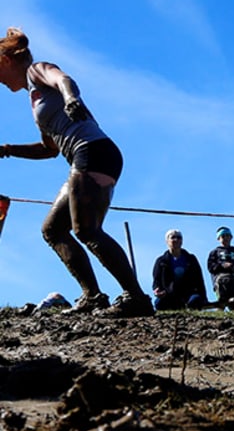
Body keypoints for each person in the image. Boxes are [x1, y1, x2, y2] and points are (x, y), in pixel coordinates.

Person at [0, 28, 153, 317]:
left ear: (6, 60)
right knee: (53, 230)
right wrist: (7, 149)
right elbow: (49, 149)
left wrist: (71, 98)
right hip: (82, 158)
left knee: (86, 229)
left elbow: (64, 79)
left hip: (94, 151)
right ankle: (93, 295)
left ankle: (136, 298)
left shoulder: (36, 71)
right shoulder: (34, 102)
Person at [152, 229, 208, 311]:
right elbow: (156, 280)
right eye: (173, 237)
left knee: (196, 300)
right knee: (159, 303)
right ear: (167, 241)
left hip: (189, 293)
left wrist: (203, 296)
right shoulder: (161, 261)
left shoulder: (191, 259)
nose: (176, 240)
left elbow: (199, 279)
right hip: (169, 294)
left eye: (179, 237)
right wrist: (157, 290)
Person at [207, 225, 234, 311]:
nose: (226, 238)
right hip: (220, 282)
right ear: (219, 238)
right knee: (221, 304)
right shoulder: (214, 252)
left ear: (231, 237)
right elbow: (211, 267)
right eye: (223, 236)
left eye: (227, 236)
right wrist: (222, 266)